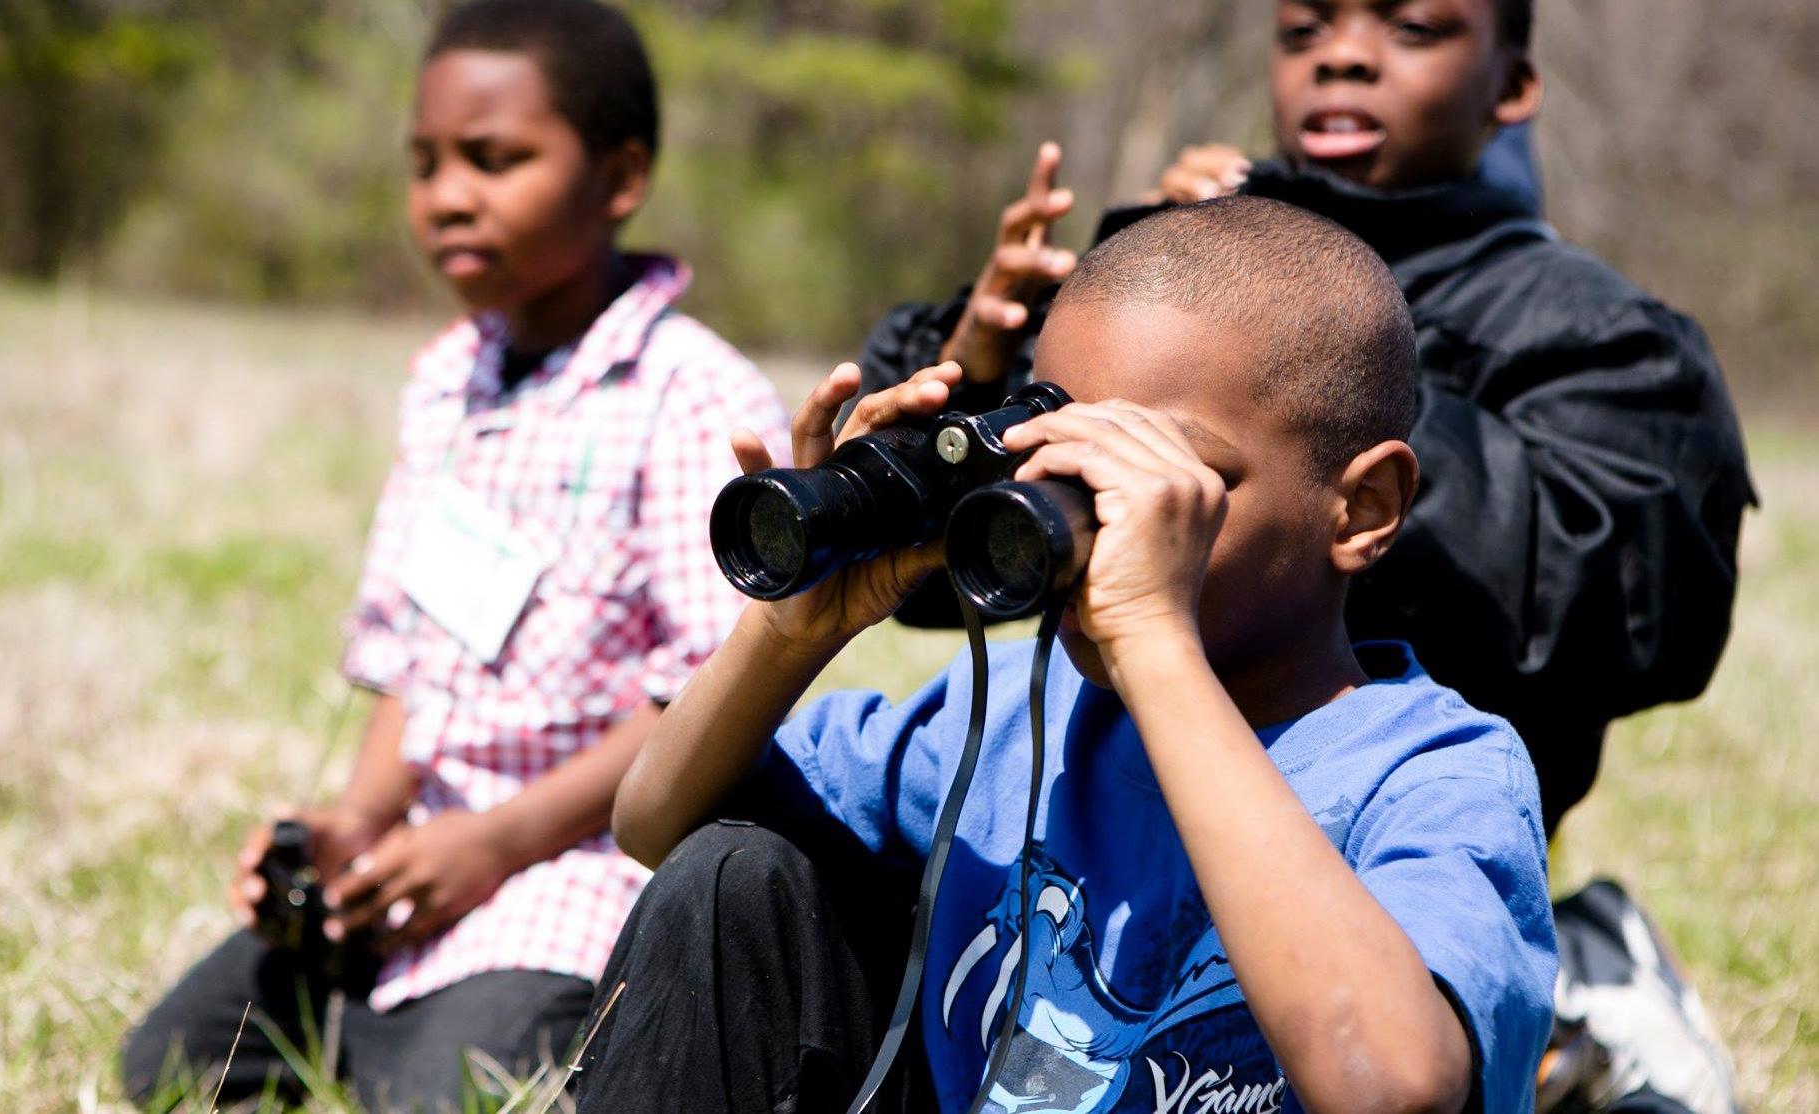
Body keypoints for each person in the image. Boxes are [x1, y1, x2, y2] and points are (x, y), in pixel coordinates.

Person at [857, 5, 1755, 1108]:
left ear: (1513, 85)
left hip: (1390, 853)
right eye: (1302, 27)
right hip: (1111, 833)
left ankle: (1576, 1004)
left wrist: (1307, 372)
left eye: (1415, 25)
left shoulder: (1596, 329)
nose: (1342, 51)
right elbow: (947, 572)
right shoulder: (1186, 256)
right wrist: (980, 358)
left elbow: (1629, 610)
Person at [577, 197, 1557, 1113]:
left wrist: (1157, 647)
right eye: (1051, 459)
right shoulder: (1005, 709)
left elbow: (1387, 1083)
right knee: (732, 872)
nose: (1088, 514)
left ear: (1363, 507)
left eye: (1161, 476)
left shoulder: (1434, 772)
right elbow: (660, 826)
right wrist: (786, 634)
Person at [120, 1, 788, 1108]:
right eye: (425, 165)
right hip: (419, 872)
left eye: (495, 159)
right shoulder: (446, 383)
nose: (446, 196)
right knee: (168, 1064)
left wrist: (495, 843)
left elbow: (712, 699)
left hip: (572, 872)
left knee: (450, 1090)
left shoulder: (693, 400)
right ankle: (375, 1017)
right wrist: (355, 827)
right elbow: (416, 656)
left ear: (621, 178)